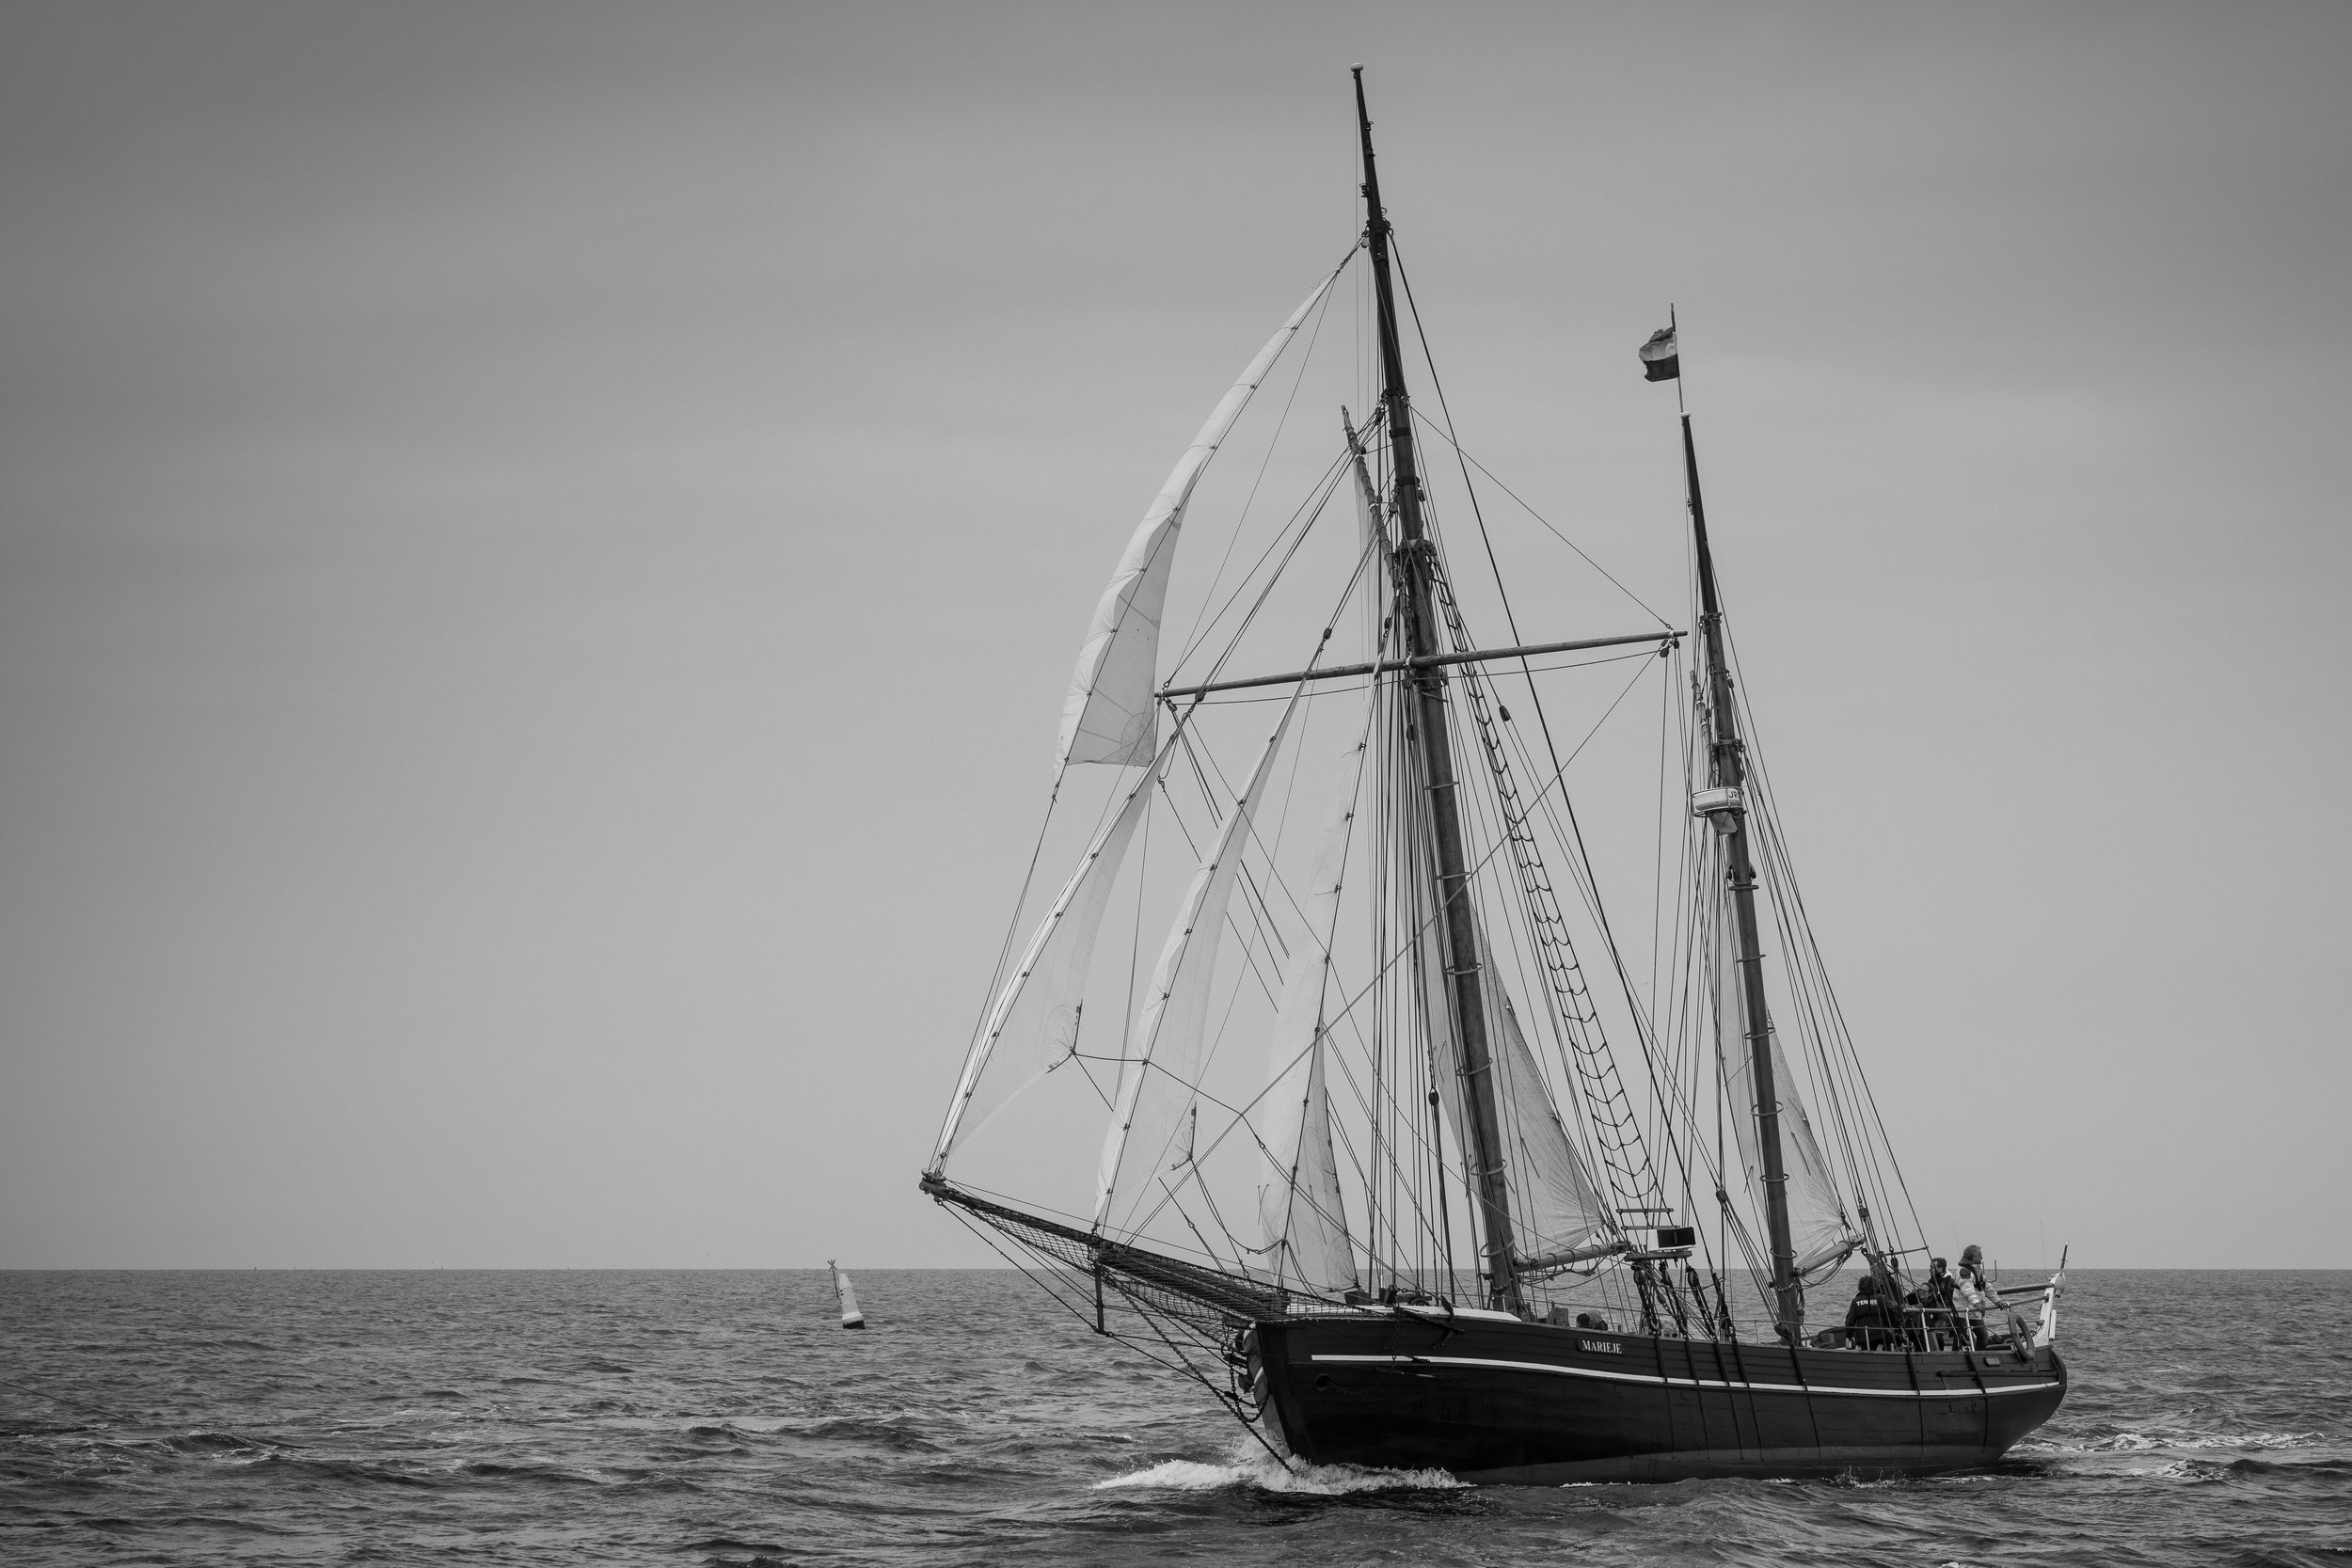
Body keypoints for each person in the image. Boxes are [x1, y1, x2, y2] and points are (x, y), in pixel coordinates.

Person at [1843, 1275, 1894, 1350]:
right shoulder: (1880, 1299)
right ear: (1875, 1286)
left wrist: (1849, 1337)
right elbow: (1890, 1316)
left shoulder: (1855, 1301)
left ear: (1860, 1287)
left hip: (1863, 1338)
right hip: (1881, 1336)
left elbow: (1850, 1323)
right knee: (1892, 1341)